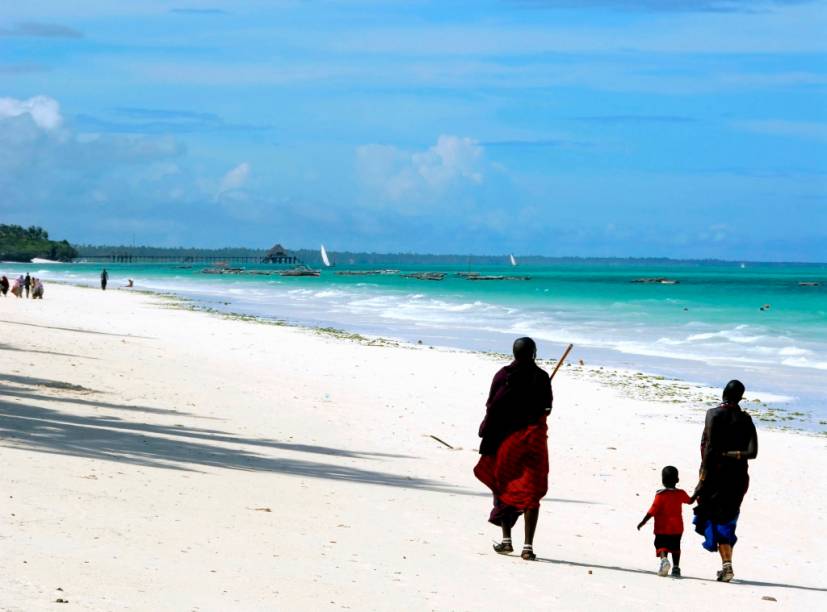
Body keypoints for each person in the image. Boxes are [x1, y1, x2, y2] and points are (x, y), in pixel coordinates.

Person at [473, 337, 552, 561]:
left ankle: (507, 540)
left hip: (506, 440)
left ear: (514, 353)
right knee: (532, 491)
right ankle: (527, 547)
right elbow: (547, 408)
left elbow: (492, 406)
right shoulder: (542, 377)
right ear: (534, 353)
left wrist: (486, 431)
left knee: (504, 485)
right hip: (534, 441)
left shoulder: (503, 376)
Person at [692, 380, 758, 583]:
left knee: (713, 518)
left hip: (715, 476)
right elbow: (752, 453)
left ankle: (727, 565)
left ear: (723, 394)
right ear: (740, 397)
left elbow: (709, 449)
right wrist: (733, 454)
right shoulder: (746, 420)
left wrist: (701, 481)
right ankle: (726, 565)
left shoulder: (713, 414)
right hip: (738, 480)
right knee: (727, 520)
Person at [637, 466, 694, 577]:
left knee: (661, 545)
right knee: (675, 547)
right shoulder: (680, 493)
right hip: (677, 527)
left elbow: (652, 510)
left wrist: (643, 522)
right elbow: (690, 501)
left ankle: (664, 560)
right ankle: (676, 568)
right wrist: (697, 492)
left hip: (662, 527)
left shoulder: (661, 495)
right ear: (677, 480)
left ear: (662, 480)